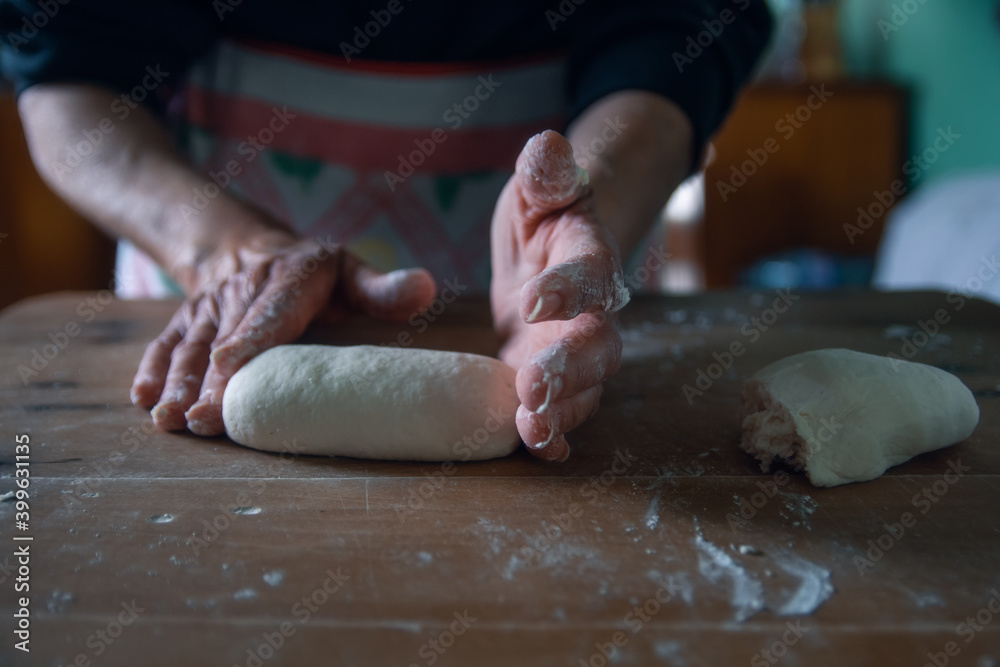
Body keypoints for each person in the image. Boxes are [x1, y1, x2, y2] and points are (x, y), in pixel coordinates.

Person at [1, 0, 772, 461]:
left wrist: (580, 204)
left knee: (530, 396)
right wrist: (231, 251)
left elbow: (680, 26)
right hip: (218, 274)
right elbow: (68, 62)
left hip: (546, 277)